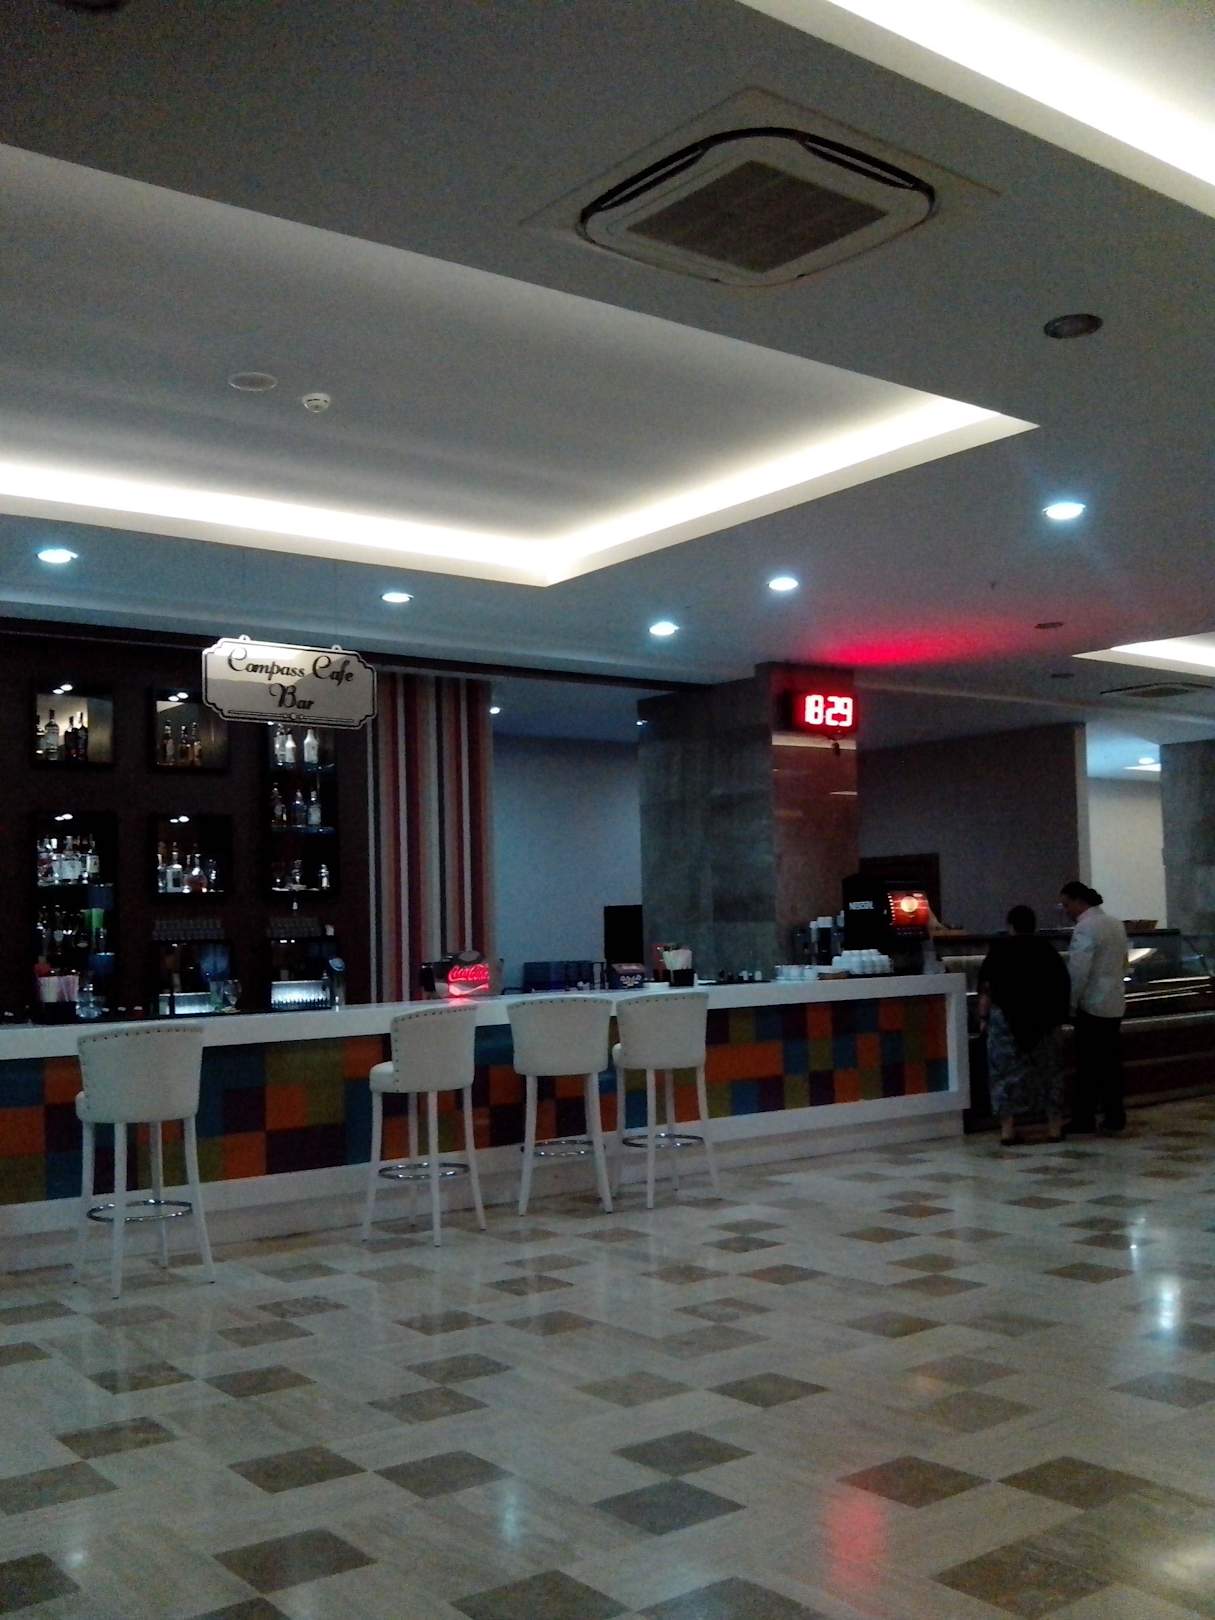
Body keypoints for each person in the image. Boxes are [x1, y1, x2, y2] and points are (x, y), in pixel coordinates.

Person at [978, 905, 1071, 1145]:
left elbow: (986, 989)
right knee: (1050, 1074)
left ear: (1010, 926)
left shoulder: (999, 951)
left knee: (1004, 1075)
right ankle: (1054, 1128)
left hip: (1006, 1021)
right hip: (1045, 1022)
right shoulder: (1047, 950)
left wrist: (983, 1019)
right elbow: (1062, 986)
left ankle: (1007, 1130)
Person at [1060, 880, 1128, 1134]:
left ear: (1079, 901)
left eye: (1066, 904)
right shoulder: (1116, 924)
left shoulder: (1085, 928)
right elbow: (1124, 963)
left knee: (1088, 1067)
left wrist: (1070, 1003)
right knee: (1111, 1065)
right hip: (1114, 1002)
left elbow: (1079, 971)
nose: (1065, 910)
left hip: (1092, 1006)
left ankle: (1084, 1118)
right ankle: (1114, 1116)